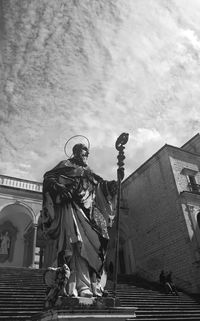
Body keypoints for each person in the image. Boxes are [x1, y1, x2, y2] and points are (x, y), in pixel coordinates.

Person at [41, 143, 117, 298]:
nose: (86, 155)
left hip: (89, 212)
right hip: (72, 207)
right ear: (75, 153)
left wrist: (112, 186)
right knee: (76, 244)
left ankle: (93, 284)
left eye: (87, 153)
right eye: (83, 153)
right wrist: (60, 188)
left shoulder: (89, 172)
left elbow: (99, 186)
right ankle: (75, 285)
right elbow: (49, 178)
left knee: (95, 246)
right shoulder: (65, 165)